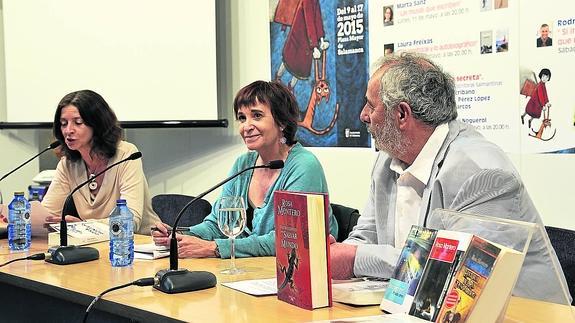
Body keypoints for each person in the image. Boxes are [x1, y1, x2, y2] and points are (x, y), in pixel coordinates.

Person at [329, 52, 570, 303]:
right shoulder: (387, 161)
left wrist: (355, 258)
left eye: (371, 105)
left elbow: (454, 275)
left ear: (402, 114)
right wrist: (338, 252)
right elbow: (366, 235)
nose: (363, 115)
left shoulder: (482, 172)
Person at [152, 81, 338, 258]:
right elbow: (217, 224)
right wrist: (179, 234)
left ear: (281, 122)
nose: (246, 127)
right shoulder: (243, 164)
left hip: (293, 274)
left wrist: (215, 248)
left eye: (257, 115)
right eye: (242, 118)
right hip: (250, 272)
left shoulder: (304, 166)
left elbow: (288, 240)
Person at [41, 90, 160, 234]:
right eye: (63, 123)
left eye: (78, 123)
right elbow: (47, 214)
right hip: (95, 246)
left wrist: (84, 226)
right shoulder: (68, 164)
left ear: (97, 125)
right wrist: (23, 217)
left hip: (141, 245)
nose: (68, 130)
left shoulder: (127, 155)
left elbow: (130, 220)